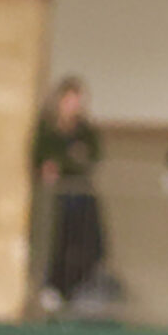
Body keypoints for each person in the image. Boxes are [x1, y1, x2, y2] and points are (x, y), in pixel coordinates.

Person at [35, 77, 109, 315]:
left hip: (82, 191)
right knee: (61, 240)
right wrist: (65, 160)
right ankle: (54, 287)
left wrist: (69, 161)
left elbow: (90, 158)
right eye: (69, 100)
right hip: (59, 195)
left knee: (90, 242)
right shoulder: (47, 130)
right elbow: (46, 158)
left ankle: (79, 288)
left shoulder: (85, 130)